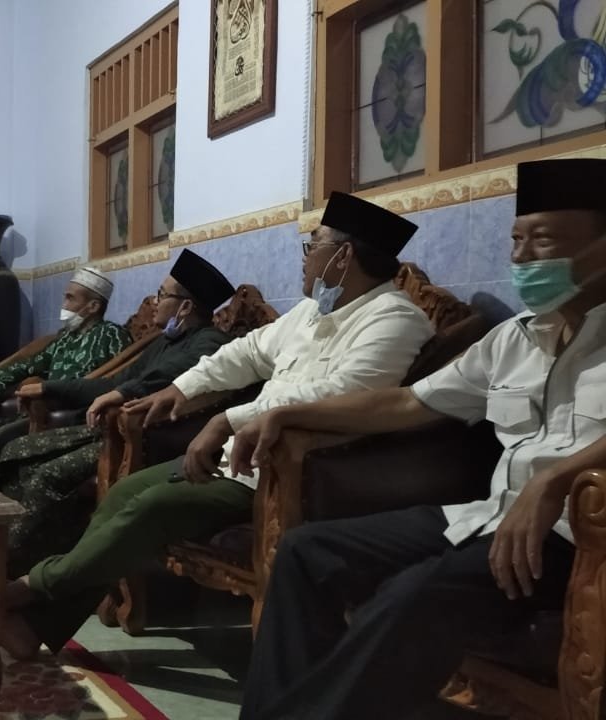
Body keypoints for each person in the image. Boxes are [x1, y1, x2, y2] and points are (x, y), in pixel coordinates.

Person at [230, 158, 606, 720]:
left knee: (413, 594)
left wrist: (556, 478)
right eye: (515, 240)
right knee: (306, 552)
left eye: (543, 241)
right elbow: (409, 402)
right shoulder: (514, 339)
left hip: (570, 540)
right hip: (489, 518)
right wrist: (287, 414)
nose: (521, 257)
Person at [0, 191, 436, 660]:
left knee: (150, 508)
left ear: (342, 257)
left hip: (291, 473)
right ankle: (35, 625)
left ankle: (25, 591)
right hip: (239, 456)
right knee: (123, 493)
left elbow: (344, 395)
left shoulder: (394, 319)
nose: (305, 258)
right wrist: (181, 389)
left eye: (313, 245)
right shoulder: (312, 312)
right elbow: (245, 353)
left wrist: (229, 419)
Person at [0, 249, 237, 605]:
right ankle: (2, 571)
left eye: (161, 294)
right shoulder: (165, 341)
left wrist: (119, 393)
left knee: (47, 475)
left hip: (147, 442)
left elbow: (160, 380)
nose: (155, 302)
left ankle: (11, 584)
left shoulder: (209, 342)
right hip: (110, 432)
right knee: (15, 452)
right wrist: (51, 388)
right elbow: (115, 381)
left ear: (185, 307)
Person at [0, 266, 131, 481]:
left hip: (75, 416)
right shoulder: (66, 338)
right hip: (43, 410)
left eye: (70, 298)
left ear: (93, 306)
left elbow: (117, 379)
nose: (64, 305)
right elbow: (30, 364)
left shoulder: (112, 335)